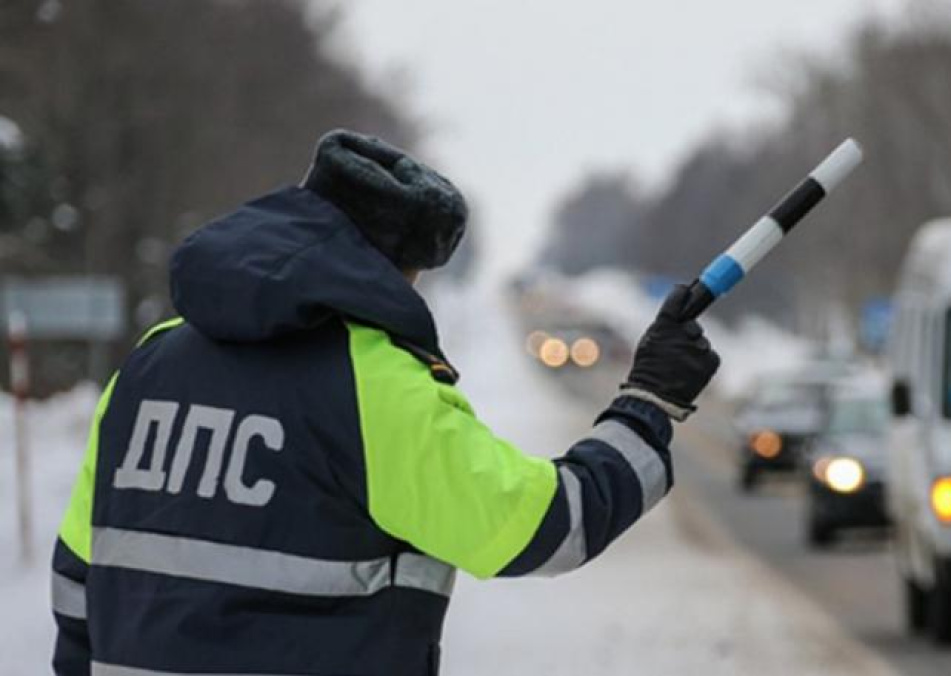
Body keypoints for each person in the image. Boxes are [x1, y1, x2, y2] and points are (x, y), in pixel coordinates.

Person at [50, 130, 720, 676]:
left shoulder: (151, 362)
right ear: (391, 269)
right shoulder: (372, 383)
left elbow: (77, 578)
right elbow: (543, 525)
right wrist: (648, 404)